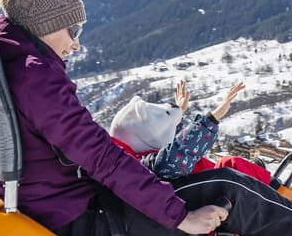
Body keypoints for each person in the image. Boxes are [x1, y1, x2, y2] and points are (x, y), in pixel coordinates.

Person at [0, 0, 292, 236]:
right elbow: (100, 157)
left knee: (178, 178)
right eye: (72, 31)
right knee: (224, 186)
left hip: (45, 207)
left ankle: (283, 213)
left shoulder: (0, 62)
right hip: (75, 221)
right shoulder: (37, 78)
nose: (76, 44)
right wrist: (181, 217)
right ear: (45, 25)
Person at [108, 78, 272, 185]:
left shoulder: (128, 158)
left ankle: (262, 179)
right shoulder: (145, 167)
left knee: (232, 167)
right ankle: (274, 191)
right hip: (211, 202)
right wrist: (212, 118)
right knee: (230, 166)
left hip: (206, 191)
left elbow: (165, 142)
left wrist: (177, 113)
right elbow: (176, 155)